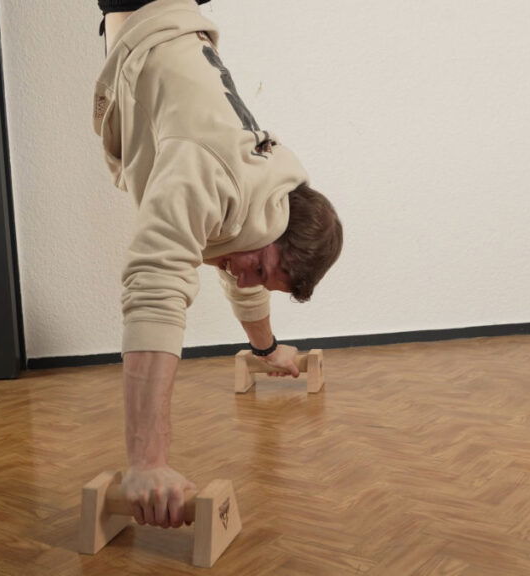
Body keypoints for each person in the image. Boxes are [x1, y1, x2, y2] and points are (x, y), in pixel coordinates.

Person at [93, 0, 343, 529]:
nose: (239, 275)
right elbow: (155, 286)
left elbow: (247, 275)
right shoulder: (211, 171)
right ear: (274, 231)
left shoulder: (268, 195)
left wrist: (267, 349)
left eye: (258, 279)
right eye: (259, 269)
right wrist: (147, 462)